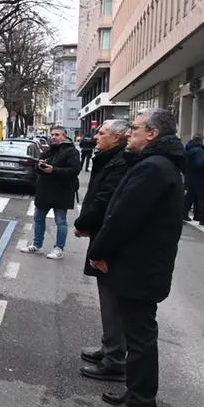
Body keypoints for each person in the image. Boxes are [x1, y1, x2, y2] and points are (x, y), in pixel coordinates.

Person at [87, 108, 185, 407]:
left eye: (136, 128)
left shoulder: (154, 168)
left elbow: (123, 218)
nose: (131, 133)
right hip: (142, 265)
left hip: (140, 268)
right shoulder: (155, 165)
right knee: (137, 335)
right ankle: (135, 392)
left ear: (153, 134)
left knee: (140, 339)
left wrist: (99, 250)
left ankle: (140, 405)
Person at [73, 120, 130, 382]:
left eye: (102, 133)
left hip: (110, 242)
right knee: (107, 301)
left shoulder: (119, 164)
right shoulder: (109, 159)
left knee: (112, 303)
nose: (97, 136)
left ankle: (115, 359)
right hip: (102, 235)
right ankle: (109, 348)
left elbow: (105, 201)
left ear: (117, 138)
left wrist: (83, 224)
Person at [21, 126, 82, 260]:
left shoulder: (71, 151)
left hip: (61, 192)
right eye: (52, 134)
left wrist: (54, 170)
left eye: (57, 135)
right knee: (38, 218)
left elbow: (74, 170)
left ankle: (59, 249)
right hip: (44, 191)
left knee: (60, 221)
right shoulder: (48, 150)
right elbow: (38, 167)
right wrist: (39, 166)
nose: (54, 137)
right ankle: (37, 245)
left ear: (64, 136)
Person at [183, 135, 204, 228]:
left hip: (191, 178)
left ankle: (185, 214)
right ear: (201, 141)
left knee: (190, 197)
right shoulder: (199, 151)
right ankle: (202, 218)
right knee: (202, 199)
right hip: (201, 179)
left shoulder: (189, 150)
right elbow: (200, 163)